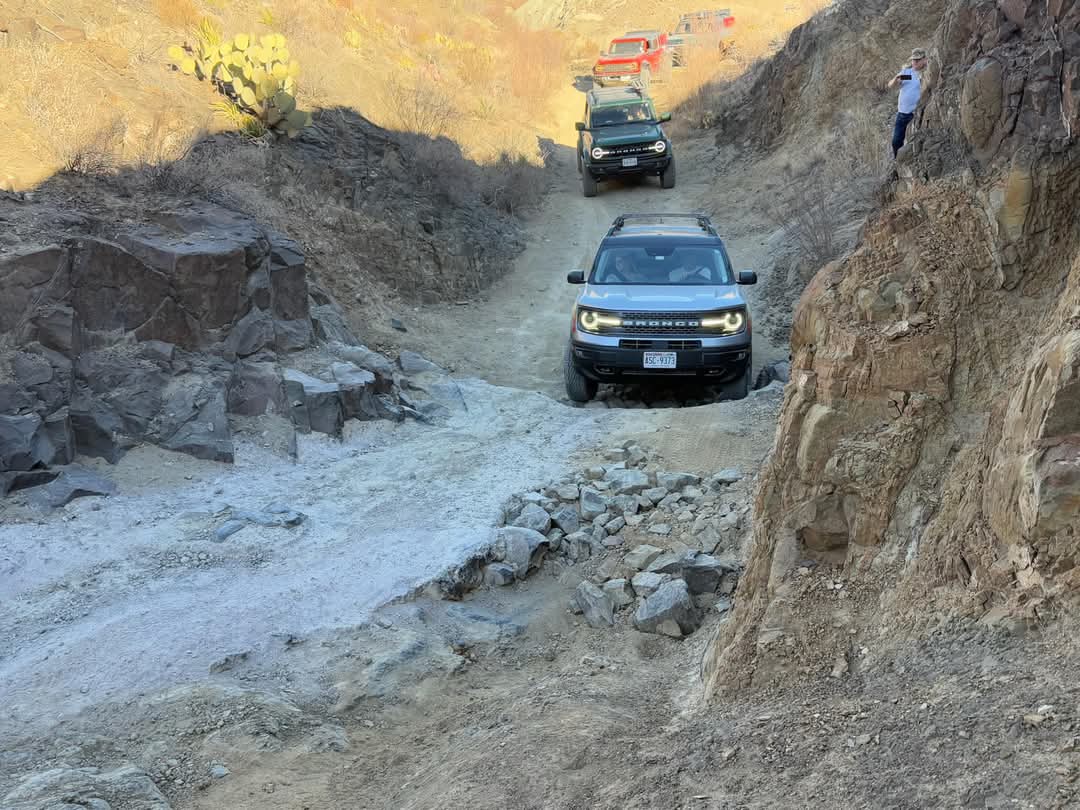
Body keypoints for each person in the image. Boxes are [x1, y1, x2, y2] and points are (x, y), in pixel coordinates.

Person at [887, 47, 927, 157]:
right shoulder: (908, 73)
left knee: (915, 144)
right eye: (913, 60)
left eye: (917, 60)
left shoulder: (926, 73)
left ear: (925, 59)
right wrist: (896, 80)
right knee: (896, 142)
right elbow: (890, 85)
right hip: (902, 114)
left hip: (916, 115)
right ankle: (897, 164)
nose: (914, 62)